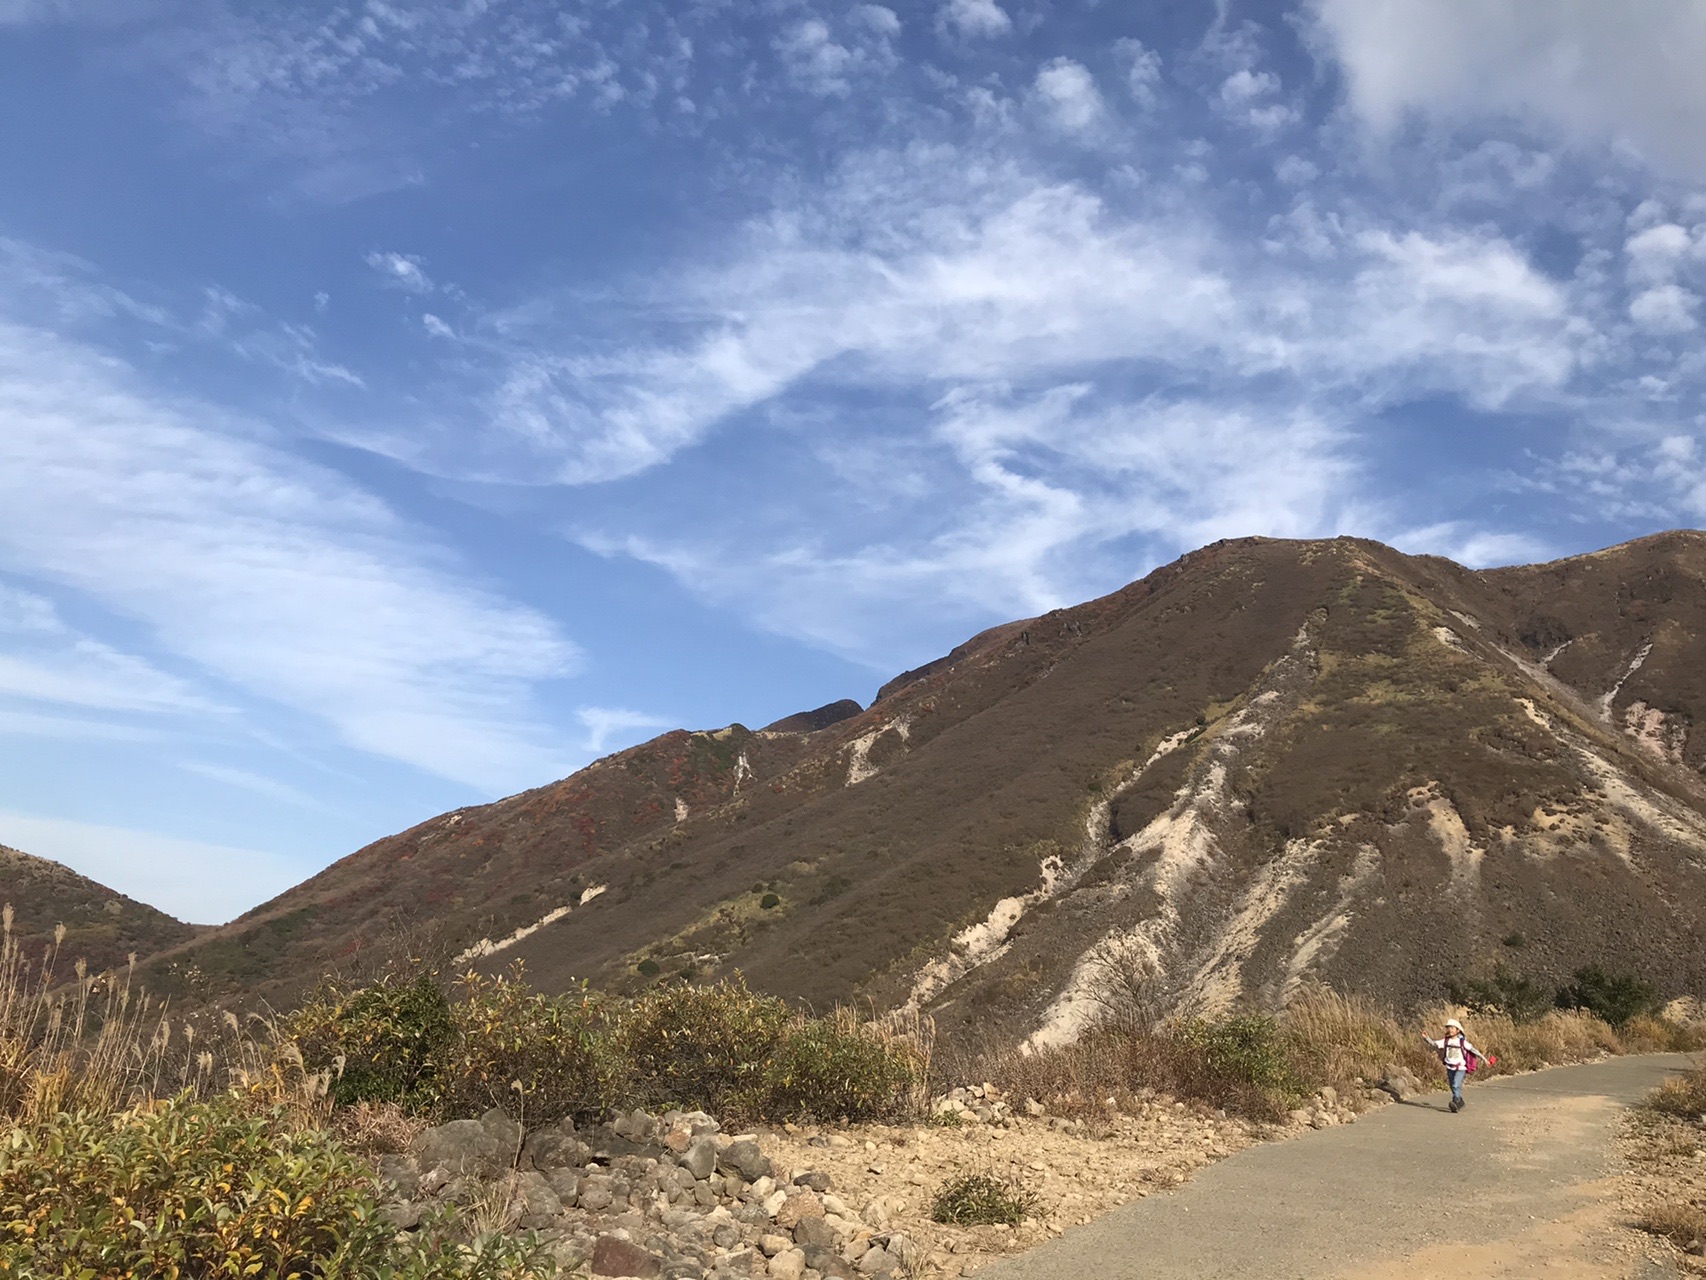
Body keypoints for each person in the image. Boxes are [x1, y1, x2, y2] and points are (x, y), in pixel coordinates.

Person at [1423, 1017, 1484, 1113]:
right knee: (1452, 1086)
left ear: (1458, 1030)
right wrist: (1427, 1038)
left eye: (1452, 1028)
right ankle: (1459, 1102)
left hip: (1460, 1067)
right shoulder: (1446, 1041)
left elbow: (1474, 1050)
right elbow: (1434, 1044)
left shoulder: (1462, 1042)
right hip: (1449, 1067)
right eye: (1448, 1028)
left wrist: (1484, 1059)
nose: (1450, 1030)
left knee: (1456, 1085)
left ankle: (1456, 1101)